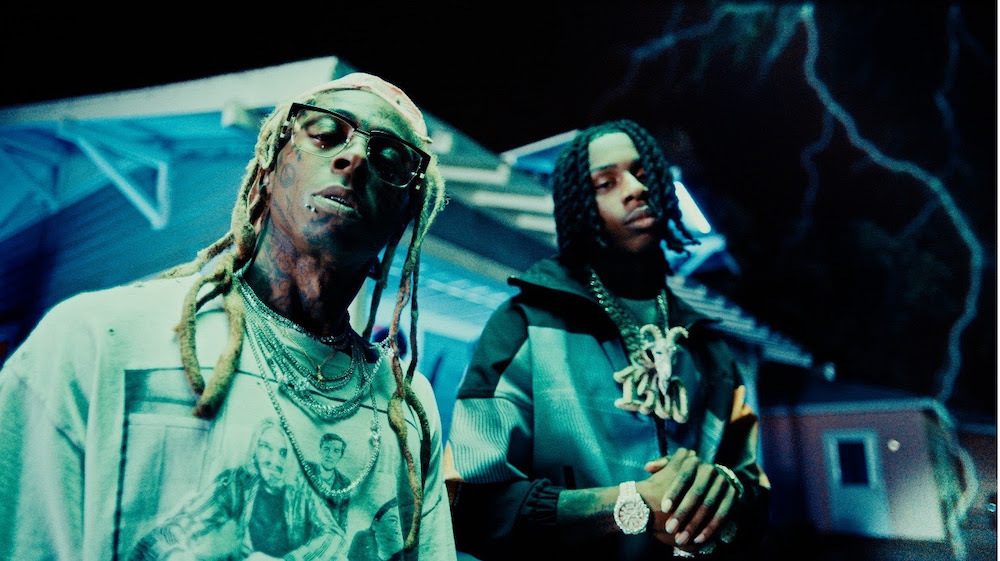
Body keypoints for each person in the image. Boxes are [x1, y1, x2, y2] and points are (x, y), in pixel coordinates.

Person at [0, 72, 457, 560]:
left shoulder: (407, 409)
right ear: (270, 164)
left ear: (405, 216)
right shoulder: (98, 337)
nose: (356, 158)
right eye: (325, 133)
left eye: (390, 159)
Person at [444, 119, 770, 560]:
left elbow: (755, 495)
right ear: (579, 206)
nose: (636, 189)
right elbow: (469, 506)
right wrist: (627, 505)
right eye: (606, 183)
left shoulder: (708, 348)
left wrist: (727, 493)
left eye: (642, 173)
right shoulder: (524, 325)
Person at [129, 417, 342, 559]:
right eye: (266, 447)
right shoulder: (236, 483)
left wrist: (289, 560)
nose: (274, 461)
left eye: (282, 452)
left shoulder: (302, 491)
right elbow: (183, 524)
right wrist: (175, 553)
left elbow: (334, 535)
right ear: (254, 451)